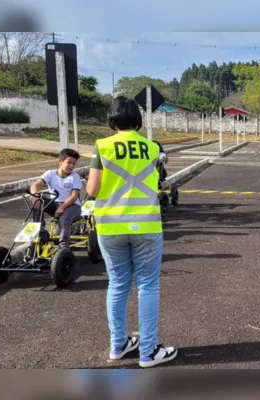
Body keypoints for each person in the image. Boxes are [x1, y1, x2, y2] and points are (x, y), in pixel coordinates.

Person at [85, 96, 177, 368]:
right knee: (148, 285)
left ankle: (118, 345)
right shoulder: (151, 147)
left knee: (117, 284)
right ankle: (148, 352)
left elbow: (92, 190)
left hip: (111, 226)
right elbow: (158, 179)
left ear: (111, 119)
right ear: (138, 119)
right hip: (146, 225)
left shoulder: (102, 147)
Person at [29, 148, 83, 248]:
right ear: (60, 162)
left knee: (65, 218)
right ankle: (40, 230)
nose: (71, 166)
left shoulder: (74, 176)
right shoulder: (50, 174)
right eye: (69, 162)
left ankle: (63, 244)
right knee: (35, 199)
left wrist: (62, 207)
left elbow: (74, 196)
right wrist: (34, 194)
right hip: (55, 204)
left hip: (72, 206)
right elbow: (35, 185)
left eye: (74, 164)